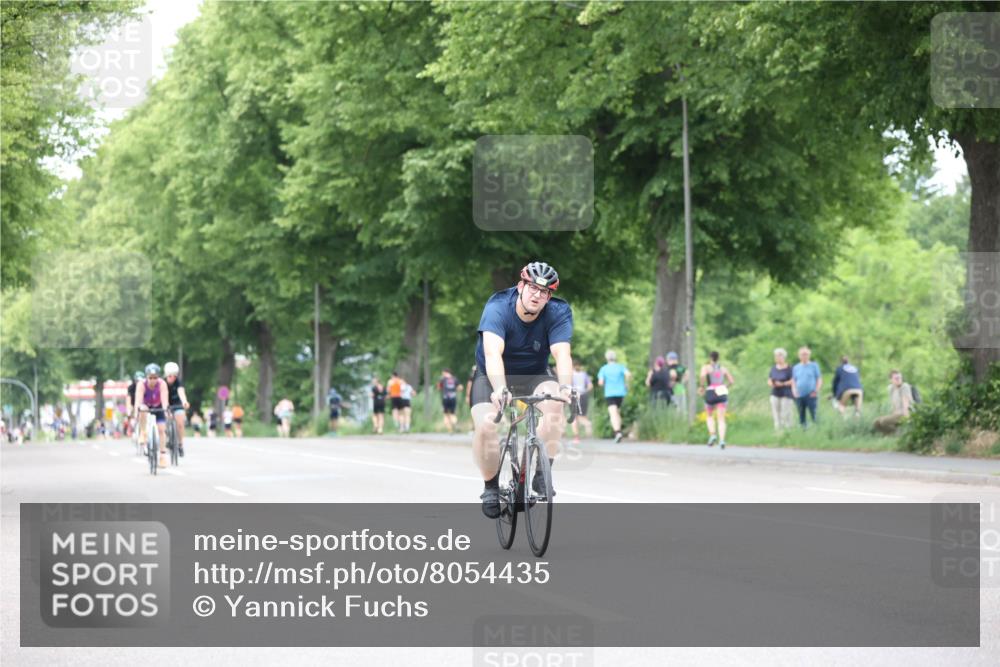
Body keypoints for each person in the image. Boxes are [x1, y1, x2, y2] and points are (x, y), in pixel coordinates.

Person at [471, 261, 574, 519]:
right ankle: (490, 486)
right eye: (532, 288)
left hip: (534, 374)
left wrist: (565, 386)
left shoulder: (558, 312)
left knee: (555, 404)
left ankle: (540, 473)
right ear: (520, 286)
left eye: (544, 292)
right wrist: (500, 389)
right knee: (486, 424)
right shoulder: (498, 307)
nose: (537, 295)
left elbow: (562, 354)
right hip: (493, 375)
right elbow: (493, 353)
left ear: (549, 296)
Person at [135, 363, 170, 468]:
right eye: (150, 378)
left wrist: (165, 410)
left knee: (162, 429)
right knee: (142, 409)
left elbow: (164, 399)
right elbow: (138, 400)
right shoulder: (141, 384)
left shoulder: (162, 384)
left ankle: (162, 455)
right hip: (146, 406)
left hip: (158, 406)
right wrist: (136, 410)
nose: (153, 380)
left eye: (155, 378)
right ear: (146, 377)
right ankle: (143, 432)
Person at [698, 351, 735, 448]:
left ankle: (712, 434)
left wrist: (702, 386)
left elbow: (702, 376)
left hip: (710, 391)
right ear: (718, 358)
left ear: (710, 358)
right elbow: (731, 381)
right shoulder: (723, 369)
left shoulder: (706, 367)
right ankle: (722, 440)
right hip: (721, 391)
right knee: (721, 419)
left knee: (709, 416)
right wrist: (725, 387)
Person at [597, 349, 631, 443]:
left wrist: (604, 384)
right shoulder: (620, 367)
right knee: (617, 412)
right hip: (621, 393)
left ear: (606, 358)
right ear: (615, 358)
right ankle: (619, 431)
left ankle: (617, 433)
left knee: (613, 413)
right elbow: (628, 374)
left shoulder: (604, 368)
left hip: (610, 393)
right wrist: (627, 384)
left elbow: (600, 382)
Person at [873, 370, 914, 435]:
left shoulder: (904, 387)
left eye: (900, 378)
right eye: (896, 378)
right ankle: (891, 435)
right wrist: (892, 414)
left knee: (883, 421)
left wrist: (907, 418)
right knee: (876, 422)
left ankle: (897, 434)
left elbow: (906, 403)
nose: (899, 380)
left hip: (904, 413)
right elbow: (893, 403)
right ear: (891, 380)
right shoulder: (891, 388)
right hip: (896, 413)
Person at [791, 346, 823, 427]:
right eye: (802, 354)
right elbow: (793, 380)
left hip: (811, 394)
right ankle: (803, 432)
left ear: (809, 355)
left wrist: (816, 390)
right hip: (799, 395)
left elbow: (819, 379)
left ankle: (818, 430)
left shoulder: (814, 365)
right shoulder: (796, 367)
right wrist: (794, 391)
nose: (804, 356)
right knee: (801, 416)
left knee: (814, 415)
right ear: (799, 356)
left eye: (806, 354)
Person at [164, 362, 190, 456]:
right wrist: (166, 407)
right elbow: (164, 396)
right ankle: (167, 437)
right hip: (166, 403)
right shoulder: (163, 383)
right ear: (167, 375)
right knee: (165, 418)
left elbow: (181, 392)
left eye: (175, 375)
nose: (173, 378)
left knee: (180, 422)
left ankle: (180, 444)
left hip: (177, 404)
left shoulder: (178, 382)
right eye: (170, 376)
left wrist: (184, 401)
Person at [767, 348, 795, 430]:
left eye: (779, 356)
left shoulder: (790, 368)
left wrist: (782, 383)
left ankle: (788, 430)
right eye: (776, 356)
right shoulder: (773, 368)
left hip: (786, 393)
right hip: (775, 393)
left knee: (786, 413)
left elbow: (793, 380)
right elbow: (769, 379)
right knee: (776, 413)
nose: (777, 358)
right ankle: (778, 430)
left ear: (784, 357)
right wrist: (771, 383)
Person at [570, 361, 593, 443]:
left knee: (574, 417)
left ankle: (576, 437)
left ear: (572, 366)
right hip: (584, 395)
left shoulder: (570, 375)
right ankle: (587, 429)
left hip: (575, 396)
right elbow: (590, 386)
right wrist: (584, 391)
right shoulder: (584, 374)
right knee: (583, 415)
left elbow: (568, 386)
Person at [437, 369, 463, 434]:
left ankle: (450, 430)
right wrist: (454, 390)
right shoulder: (455, 379)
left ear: (445, 373)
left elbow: (439, 388)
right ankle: (455, 423)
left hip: (445, 398)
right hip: (453, 397)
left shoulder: (442, 379)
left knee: (446, 414)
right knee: (452, 413)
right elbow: (461, 388)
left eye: (443, 373)